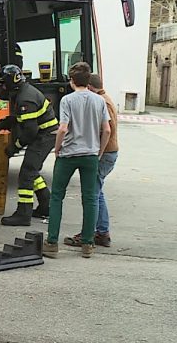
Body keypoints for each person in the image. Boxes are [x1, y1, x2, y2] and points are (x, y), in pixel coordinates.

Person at [43, 63, 111, 259]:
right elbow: (106, 129)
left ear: (72, 81)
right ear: (88, 81)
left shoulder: (67, 100)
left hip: (68, 154)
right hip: (90, 154)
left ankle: (52, 243)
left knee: (57, 197)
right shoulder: (99, 101)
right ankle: (88, 244)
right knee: (90, 199)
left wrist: (57, 149)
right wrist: (99, 150)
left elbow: (63, 128)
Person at [0, 65, 58, 226]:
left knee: (26, 173)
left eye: (3, 84)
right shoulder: (21, 93)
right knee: (32, 170)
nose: (1, 87)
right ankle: (46, 205)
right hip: (44, 134)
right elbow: (20, 119)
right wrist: (2, 124)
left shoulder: (25, 98)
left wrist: (14, 147)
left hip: (45, 136)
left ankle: (23, 213)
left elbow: (30, 132)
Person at [64, 73, 118, 248]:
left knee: (91, 196)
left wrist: (97, 153)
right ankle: (101, 231)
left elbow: (107, 130)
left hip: (104, 154)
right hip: (107, 153)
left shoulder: (102, 102)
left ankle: (93, 233)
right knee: (96, 192)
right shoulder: (104, 99)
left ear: (90, 88)